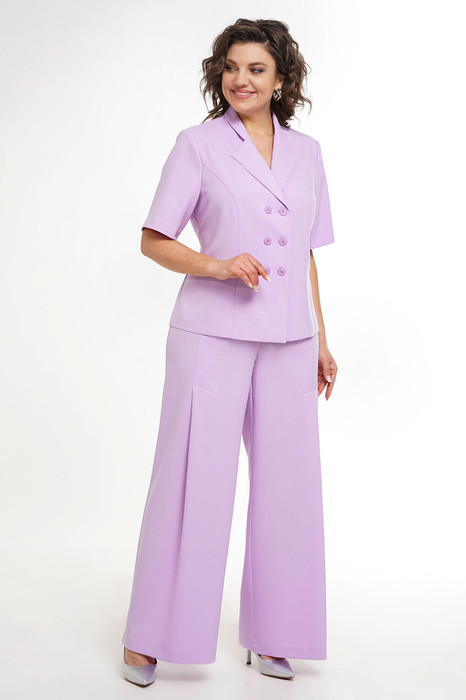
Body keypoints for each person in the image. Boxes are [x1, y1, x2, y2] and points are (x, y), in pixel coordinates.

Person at [121, 18, 338, 686]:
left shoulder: (308, 154)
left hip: (290, 340)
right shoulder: (198, 145)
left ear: (282, 80)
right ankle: (151, 636)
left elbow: (305, 254)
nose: (241, 80)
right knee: (193, 482)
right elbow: (154, 239)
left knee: (289, 489)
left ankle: (276, 634)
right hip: (212, 334)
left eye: (256, 69)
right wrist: (217, 265)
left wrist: (322, 338)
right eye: (231, 67)